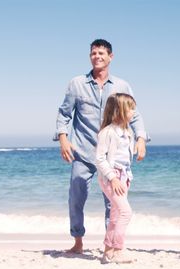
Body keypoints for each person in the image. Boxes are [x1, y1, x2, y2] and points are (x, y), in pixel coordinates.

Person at [55, 39, 148, 254]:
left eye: (101, 53)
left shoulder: (121, 86)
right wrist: (62, 137)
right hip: (83, 151)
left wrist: (141, 139)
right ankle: (78, 242)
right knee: (76, 198)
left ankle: (110, 246)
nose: (97, 56)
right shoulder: (76, 83)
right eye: (93, 53)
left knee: (114, 203)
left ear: (110, 57)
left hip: (112, 156)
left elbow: (135, 114)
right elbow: (64, 113)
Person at [96, 93, 138, 264]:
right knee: (125, 212)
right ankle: (118, 249)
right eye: (131, 109)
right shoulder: (107, 132)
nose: (134, 112)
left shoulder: (127, 132)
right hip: (112, 177)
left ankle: (108, 252)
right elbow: (99, 159)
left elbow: (126, 157)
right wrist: (113, 178)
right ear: (119, 111)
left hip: (124, 176)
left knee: (115, 214)